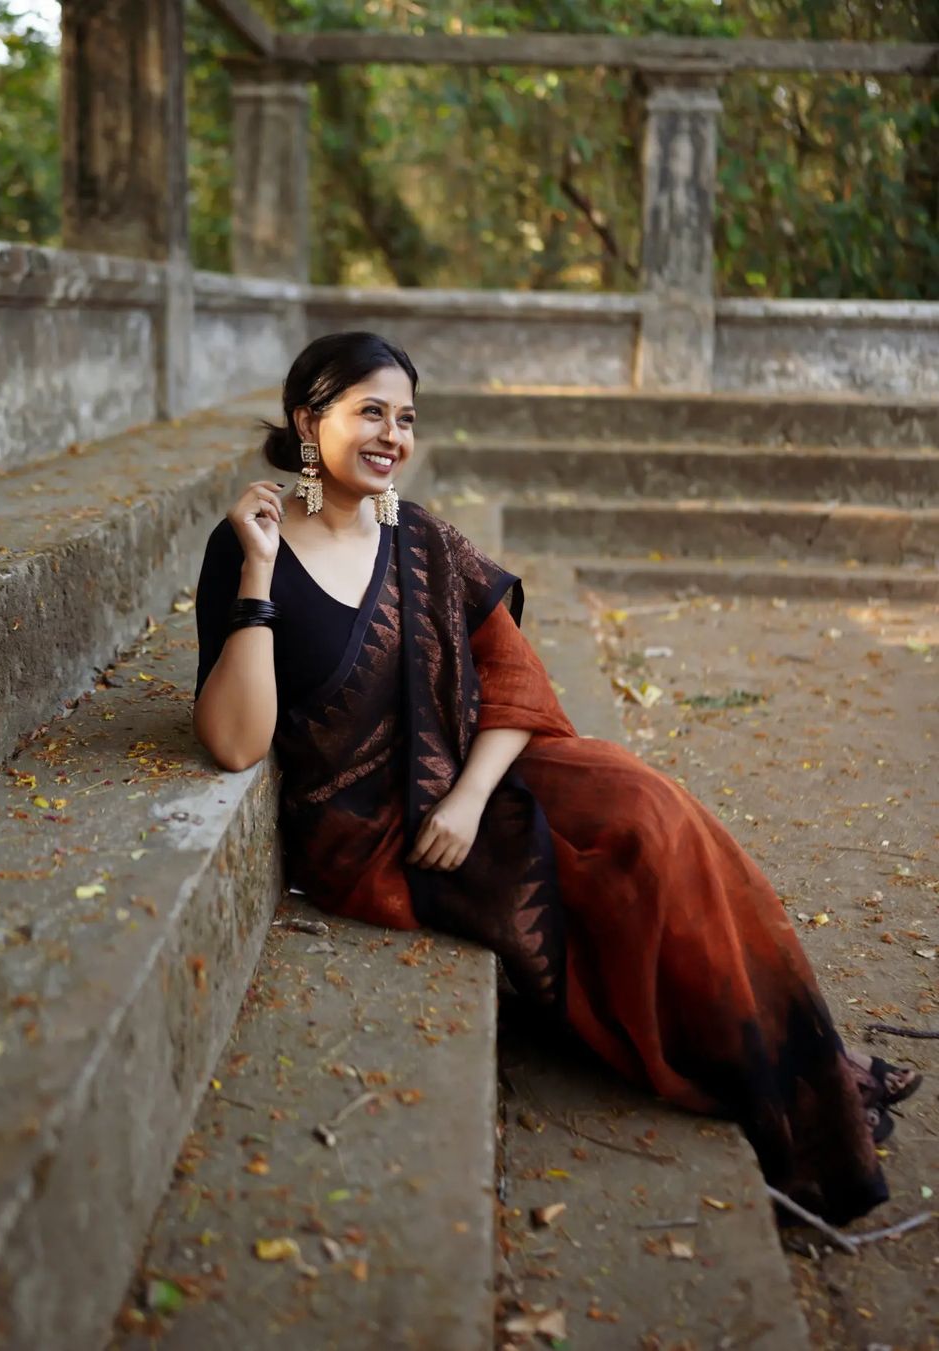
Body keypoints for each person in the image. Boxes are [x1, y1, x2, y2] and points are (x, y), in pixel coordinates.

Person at [192, 330, 920, 1226]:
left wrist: (465, 798)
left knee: (650, 810)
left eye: (407, 418)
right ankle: (760, 1086)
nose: (392, 435)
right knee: (581, 874)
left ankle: (800, 1071)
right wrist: (260, 577)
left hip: (470, 780)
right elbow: (235, 741)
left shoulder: (417, 538)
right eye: (369, 412)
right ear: (310, 420)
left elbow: (514, 677)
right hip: (373, 836)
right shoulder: (248, 548)